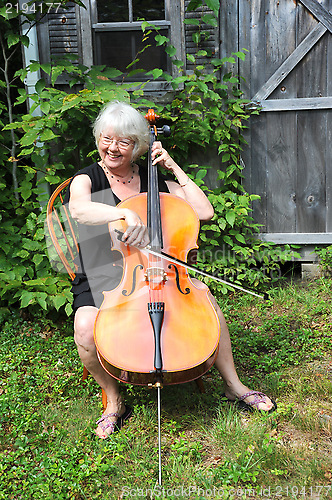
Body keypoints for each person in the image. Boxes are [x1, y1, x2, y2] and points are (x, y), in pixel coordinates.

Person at [67, 101, 276, 439]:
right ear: (97, 139)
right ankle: (114, 399)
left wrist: (174, 167)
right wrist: (122, 214)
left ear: (138, 146)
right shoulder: (87, 178)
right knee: (85, 325)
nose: (113, 148)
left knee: (203, 296)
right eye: (107, 139)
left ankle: (234, 385)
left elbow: (204, 212)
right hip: (105, 273)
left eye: (123, 141)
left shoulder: (156, 181)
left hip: (161, 270)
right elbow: (78, 210)